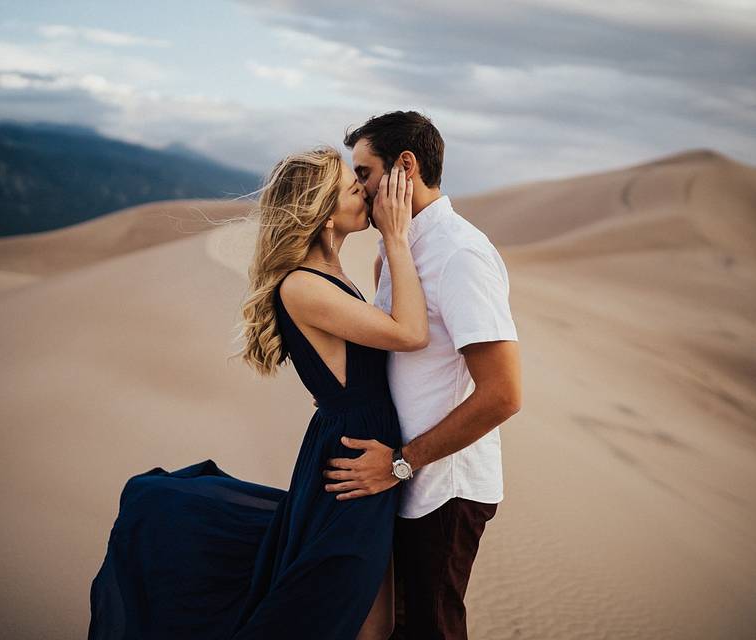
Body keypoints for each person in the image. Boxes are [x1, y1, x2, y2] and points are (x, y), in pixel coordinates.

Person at [87, 147, 427, 639]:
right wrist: (397, 238)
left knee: (371, 616)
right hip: (353, 459)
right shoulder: (302, 287)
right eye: (354, 189)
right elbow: (412, 334)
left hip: (360, 448)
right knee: (354, 619)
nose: (367, 193)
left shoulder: (332, 275)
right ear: (324, 212)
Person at [322, 110, 523, 639]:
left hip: (442, 489)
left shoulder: (460, 254)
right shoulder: (402, 249)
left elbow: (504, 394)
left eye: (363, 173)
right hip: (403, 481)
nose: (359, 189)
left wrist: (401, 464)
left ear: (404, 167)